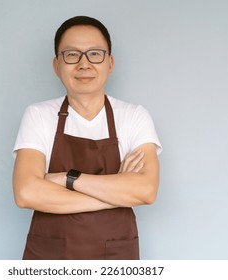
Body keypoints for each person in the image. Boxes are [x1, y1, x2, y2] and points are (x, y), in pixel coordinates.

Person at [12, 16, 162, 260]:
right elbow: (27, 193)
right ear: (56, 65)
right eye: (72, 55)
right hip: (49, 257)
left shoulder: (133, 116)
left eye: (95, 54)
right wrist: (115, 194)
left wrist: (66, 179)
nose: (84, 64)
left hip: (115, 257)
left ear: (110, 63)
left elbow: (145, 190)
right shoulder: (38, 115)